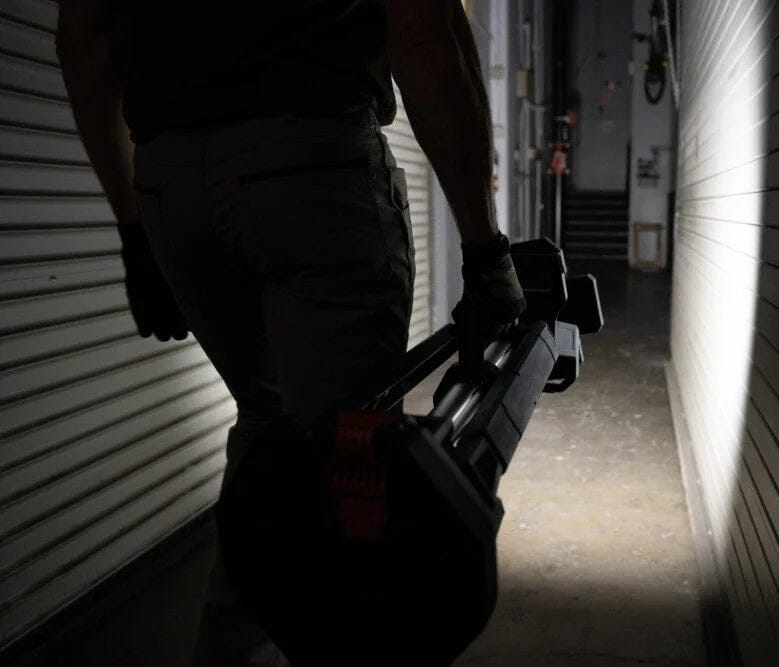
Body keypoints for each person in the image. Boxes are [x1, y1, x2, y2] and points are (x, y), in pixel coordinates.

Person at [56, 0, 526, 664]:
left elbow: (86, 37)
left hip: (170, 184)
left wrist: (134, 230)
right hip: (311, 166)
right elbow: (425, 32)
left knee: (270, 427)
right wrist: (483, 247)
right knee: (344, 459)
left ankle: (232, 647)